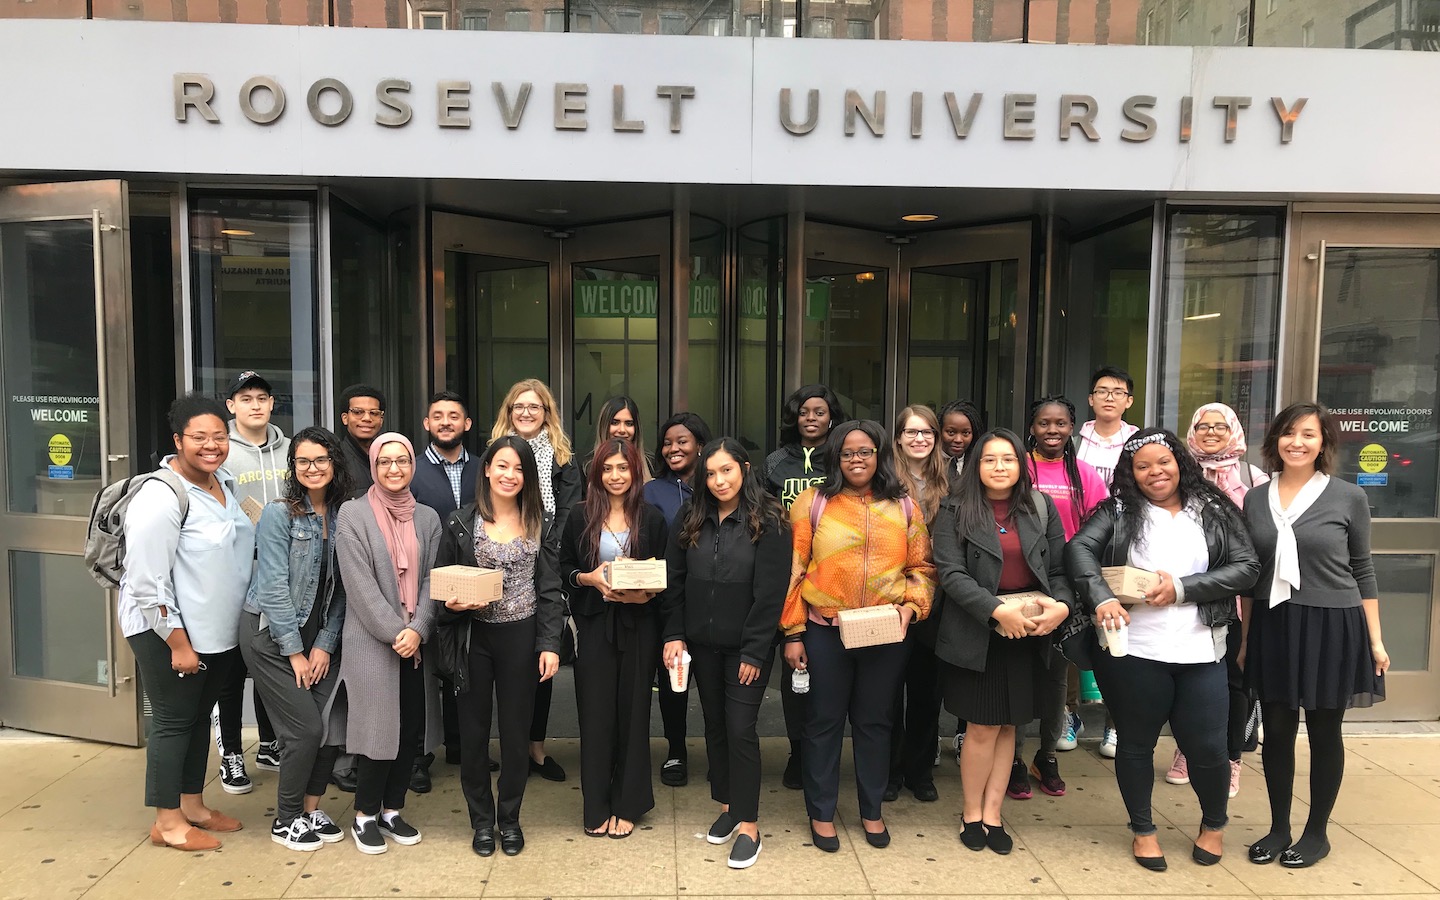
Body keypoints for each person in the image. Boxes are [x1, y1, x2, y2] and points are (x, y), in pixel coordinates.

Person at [1066, 428, 1260, 871]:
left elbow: (1246, 567)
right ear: (1130, 473)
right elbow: (1078, 550)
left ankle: (1213, 826)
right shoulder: (1117, 510)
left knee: (1208, 749)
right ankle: (1143, 830)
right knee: (1136, 745)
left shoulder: (1211, 509)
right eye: (1143, 466)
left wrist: (1183, 589)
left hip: (1202, 651)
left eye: (1164, 462)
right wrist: (1102, 596)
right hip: (1135, 650)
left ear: (1180, 463)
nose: (1156, 472)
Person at [1241, 402, 1389, 869]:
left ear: (1323, 441)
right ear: (1275, 442)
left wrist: (1376, 640)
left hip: (1332, 624)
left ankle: (1316, 832)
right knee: (1278, 730)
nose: (1297, 442)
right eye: (1288, 433)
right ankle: (1279, 827)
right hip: (1274, 622)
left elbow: (1362, 569)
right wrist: (1245, 641)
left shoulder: (1347, 497)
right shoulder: (1255, 497)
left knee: (1325, 731)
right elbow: (1250, 576)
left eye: (1308, 434)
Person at [781, 420, 935, 853]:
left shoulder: (904, 507)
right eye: (847, 452)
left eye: (865, 451)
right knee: (823, 724)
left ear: (880, 454)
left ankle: (871, 810)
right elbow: (793, 571)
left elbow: (923, 568)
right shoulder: (813, 503)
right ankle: (822, 813)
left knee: (875, 724)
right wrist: (793, 633)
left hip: (885, 633)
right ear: (835, 456)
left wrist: (911, 607)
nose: (856, 459)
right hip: (824, 632)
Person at [119, 394, 255, 851]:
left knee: (199, 717)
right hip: (169, 633)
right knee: (174, 721)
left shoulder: (224, 483)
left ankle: (193, 805)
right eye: (199, 437)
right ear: (178, 440)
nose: (211, 445)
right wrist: (177, 642)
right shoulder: (161, 495)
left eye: (220, 436)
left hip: (212, 631)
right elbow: (146, 581)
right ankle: (168, 823)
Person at [931, 428, 1073, 856]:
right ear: (976, 465)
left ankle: (994, 813)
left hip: (1030, 633)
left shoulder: (1039, 507)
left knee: (1011, 722)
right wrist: (996, 612)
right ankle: (971, 812)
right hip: (981, 633)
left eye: (1008, 459)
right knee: (982, 725)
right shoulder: (954, 508)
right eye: (990, 459)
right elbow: (950, 572)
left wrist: (1062, 606)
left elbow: (1061, 571)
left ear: (1020, 465)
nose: (999, 467)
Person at [660, 438, 789, 869]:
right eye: (710, 473)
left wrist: (755, 651)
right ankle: (728, 807)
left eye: (726, 471)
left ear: (745, 469)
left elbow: (770, 595)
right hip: (701, 644)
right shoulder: (691, 515)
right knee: (714, 725)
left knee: (740, 730)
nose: (718, 481)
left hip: (745, 649)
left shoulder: (769, 519)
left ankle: (750, 825)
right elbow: (673, 582)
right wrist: (674, 634)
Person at [435, 435, 563, 859]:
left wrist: (549, 643)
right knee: (472, 735)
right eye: (502, 466)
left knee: (515, 734)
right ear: (486, 469)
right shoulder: (459, 521)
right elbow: (441, 585)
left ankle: (509, 818)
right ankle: (480, 822)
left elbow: (549, 587)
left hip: (521, 638)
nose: (510, 475)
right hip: (474, 637)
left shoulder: (539, 520)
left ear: (528, 476)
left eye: (519, 468)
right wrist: (452, 603)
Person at [330, 433, 443, 855]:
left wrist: (419, 629)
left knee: (410, 729)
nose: (394, 469)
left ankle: (392, 810)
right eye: (385, 463)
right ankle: (363, 816)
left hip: (417, 642)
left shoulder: (428, 518)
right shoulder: (352, 515)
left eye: (402, 461)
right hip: (372, 643)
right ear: (374, 467)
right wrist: (397, 632)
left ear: (413, 466)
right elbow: (357, 585)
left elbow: (434, 578)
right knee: (377, 733)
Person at [240, 427, 352, 852]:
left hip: (319, 634)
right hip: (271, 635)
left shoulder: (346, 514)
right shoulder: (279, 513)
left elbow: (344, 589)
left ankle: (309, 809)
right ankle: (285, 820)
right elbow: (271, 588)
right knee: (303, 731)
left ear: (334, 463)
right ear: (294, 467)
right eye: (302, 461)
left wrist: (324, 642)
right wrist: (296, 652)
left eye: (321, 460)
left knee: (328, 726)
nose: (312, 468)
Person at [560, 438, 670, 838]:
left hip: (639, 626)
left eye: (623, 468)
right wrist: (588, 579)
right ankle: (596, 805)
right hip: (594, 626)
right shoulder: (580, 516)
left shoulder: (653, 519)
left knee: (633, 714)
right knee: (596, 716)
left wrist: (644, 592)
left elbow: (665, 575)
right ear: (597, 473)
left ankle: (628, 803)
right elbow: (566, 570)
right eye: (608, 468)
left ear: (635, 472)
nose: (616, 476)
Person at [1167, 402, 1269, 795]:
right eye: (1203, 426)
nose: (1211, 433)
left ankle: (1231, 759)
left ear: (1234, 431)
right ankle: (1186, 751)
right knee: (1191, 678)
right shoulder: (1181, 476)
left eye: (1219, 426)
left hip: (1240, 598)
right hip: (1190, 593)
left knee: (1234, 679)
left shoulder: (1254, 479)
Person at [1013, 396, 1109, 800]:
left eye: (1061, 423)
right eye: (1043, 423)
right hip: (1019, 584)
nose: (1052, 430)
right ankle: (1014, 759)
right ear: (1031, 427)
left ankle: (1046, 755)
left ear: (1072, 427)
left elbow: (1100, 529)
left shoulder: (1085, 474)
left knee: (1055, 677)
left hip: (1064, 588)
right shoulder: (1019, 471)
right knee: (1016, 675)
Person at [489, 379, 580, 782]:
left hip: (546, 565)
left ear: (547, 413)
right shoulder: (493, 455)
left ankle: (536, 749)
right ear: (508, 412)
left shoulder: (563, 457)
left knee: (542, 657)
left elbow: (569, 512)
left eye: (535, 407)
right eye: (518, 407)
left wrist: (545, 551)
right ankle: (510, 748)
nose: (526, 413)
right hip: (497, 568)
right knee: (502, 667)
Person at [763, 383, 849, 789]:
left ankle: (825, 754)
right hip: (787, 574)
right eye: (804, 412)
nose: (811, 418)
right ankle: (798, 754)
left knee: (832, 673)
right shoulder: (775, 463)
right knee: (794, 674)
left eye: (819, 411)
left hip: (834, 579)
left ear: (832, 416)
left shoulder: (843, 460)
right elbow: (761, 515)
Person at [212, 370, 286, 793]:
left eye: (262, 397)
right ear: (231, 406)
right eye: (246, 398)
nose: (255, 404)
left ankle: (270, 742)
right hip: (237, 575)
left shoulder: (292, 450)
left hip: (278, 576)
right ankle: (231, 757)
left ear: (272, 404)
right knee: (232, 669)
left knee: (269, 661)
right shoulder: (221, 451)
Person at [409, 390, 481, 788]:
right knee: (423, 670)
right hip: (422, 579)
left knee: (463, 663)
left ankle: (461, 746)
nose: (446, 422)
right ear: (427, 424)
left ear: (467, 424)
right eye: (438, 415)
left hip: (473, 583)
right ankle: (420, 754)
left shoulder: (485, 468)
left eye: (454, 415)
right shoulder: (411, 469)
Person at [644, 410, 712, 787]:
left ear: (700, 445)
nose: (673, 448)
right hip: (664, 603)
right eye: (668, 443)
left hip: (710, 603)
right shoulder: (651, 491)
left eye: (682, 441)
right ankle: (676, 751)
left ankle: (718, 753)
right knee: (673, 681)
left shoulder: (717, 484)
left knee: (714, 684)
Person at [1075, 366, 1140, 760]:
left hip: (1126, 547)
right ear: (1091, 399)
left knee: (1121, 632)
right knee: (1074, 629)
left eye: (1118, 392)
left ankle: (1116, 724)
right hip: (1080, 543)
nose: (1110, 398)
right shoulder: (1074, 439)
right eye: (1102, 391)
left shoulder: (1139, 442)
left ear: (1129, 401)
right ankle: (1071, 714)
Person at [886, 405, 947, 803]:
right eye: (911, 432)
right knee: (888, 691)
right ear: (899, 437)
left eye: (927, 432)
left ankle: (919, 770)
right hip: (892, 599)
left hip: (939, 602)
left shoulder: (954, 482)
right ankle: (889, 771)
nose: (919, 439)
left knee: (927, 693)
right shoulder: (885, 480)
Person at [938, 398, 986, 763]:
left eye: (965, 432)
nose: (957, 438)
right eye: (950, 431)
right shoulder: (931, 464)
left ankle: (960, 731)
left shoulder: (981, 466)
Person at [582, 396, 654, 486]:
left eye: (629, 423)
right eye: (615, 423)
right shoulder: (587, 466)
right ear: (604, 425)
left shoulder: (651, 464)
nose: (622, 430)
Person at [338, 384, 387, 494]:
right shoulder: (336, 459)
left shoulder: (391, 457)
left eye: (374, 413)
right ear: (345, 418)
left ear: (381, 419)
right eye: (358, 412)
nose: (367, 418)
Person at [939, 399, 985, 490]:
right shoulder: (927, 461)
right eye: (951, 432)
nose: (958, 440)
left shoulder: (978, 464)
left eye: (966, 433)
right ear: (940, 430)